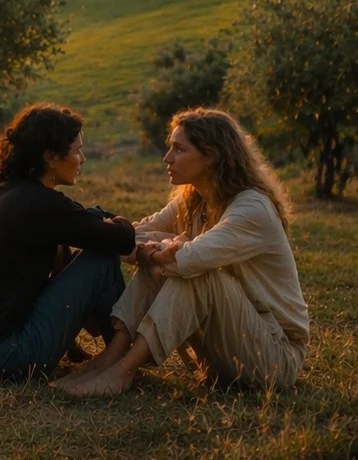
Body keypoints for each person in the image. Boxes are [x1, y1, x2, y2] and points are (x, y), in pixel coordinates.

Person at [55, 108, 308, 397]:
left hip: (274, 359)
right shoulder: (195, 200)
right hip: (219, 354)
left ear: (211, 156)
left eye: (179, 149)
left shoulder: (252, 209)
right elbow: (130, 238)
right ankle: (111, 359)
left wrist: (162, 249)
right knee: (170, 253)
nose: (167, 158)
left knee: (197, 273)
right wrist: (153, 251)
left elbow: (186, 260)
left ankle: (123, 371)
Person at [0, 104, 136, 380]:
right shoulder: (43, 206)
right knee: (101, 259)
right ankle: (121, 357)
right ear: (51, 157)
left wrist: (103, 220)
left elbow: (79, 221)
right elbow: (121, 240)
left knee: (89, 230)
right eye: (77, 151)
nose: (83, 159)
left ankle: (107, 350)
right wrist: (123, 222)